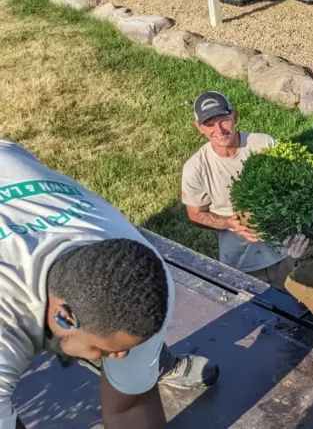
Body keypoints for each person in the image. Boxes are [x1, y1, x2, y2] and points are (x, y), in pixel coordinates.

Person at [0, 139, 218, 429]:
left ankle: (150, 361)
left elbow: (131, 408)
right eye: (107, 352)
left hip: (7, 161)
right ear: (64, 318)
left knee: (129, 345)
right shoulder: (6, 328)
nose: (117, 357)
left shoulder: (142, 270)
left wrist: (135, 372)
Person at [181, 91, 309, 290]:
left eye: (224, 120)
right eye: (209, 124)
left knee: (296, 307)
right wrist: (229, 223)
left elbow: (294, 187)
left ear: (235, 116)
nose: (219, 130)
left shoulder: (263, 144)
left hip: (286, 251)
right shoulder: (196, 167)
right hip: (242, 264)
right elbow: (195, 214)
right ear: (199, 127)